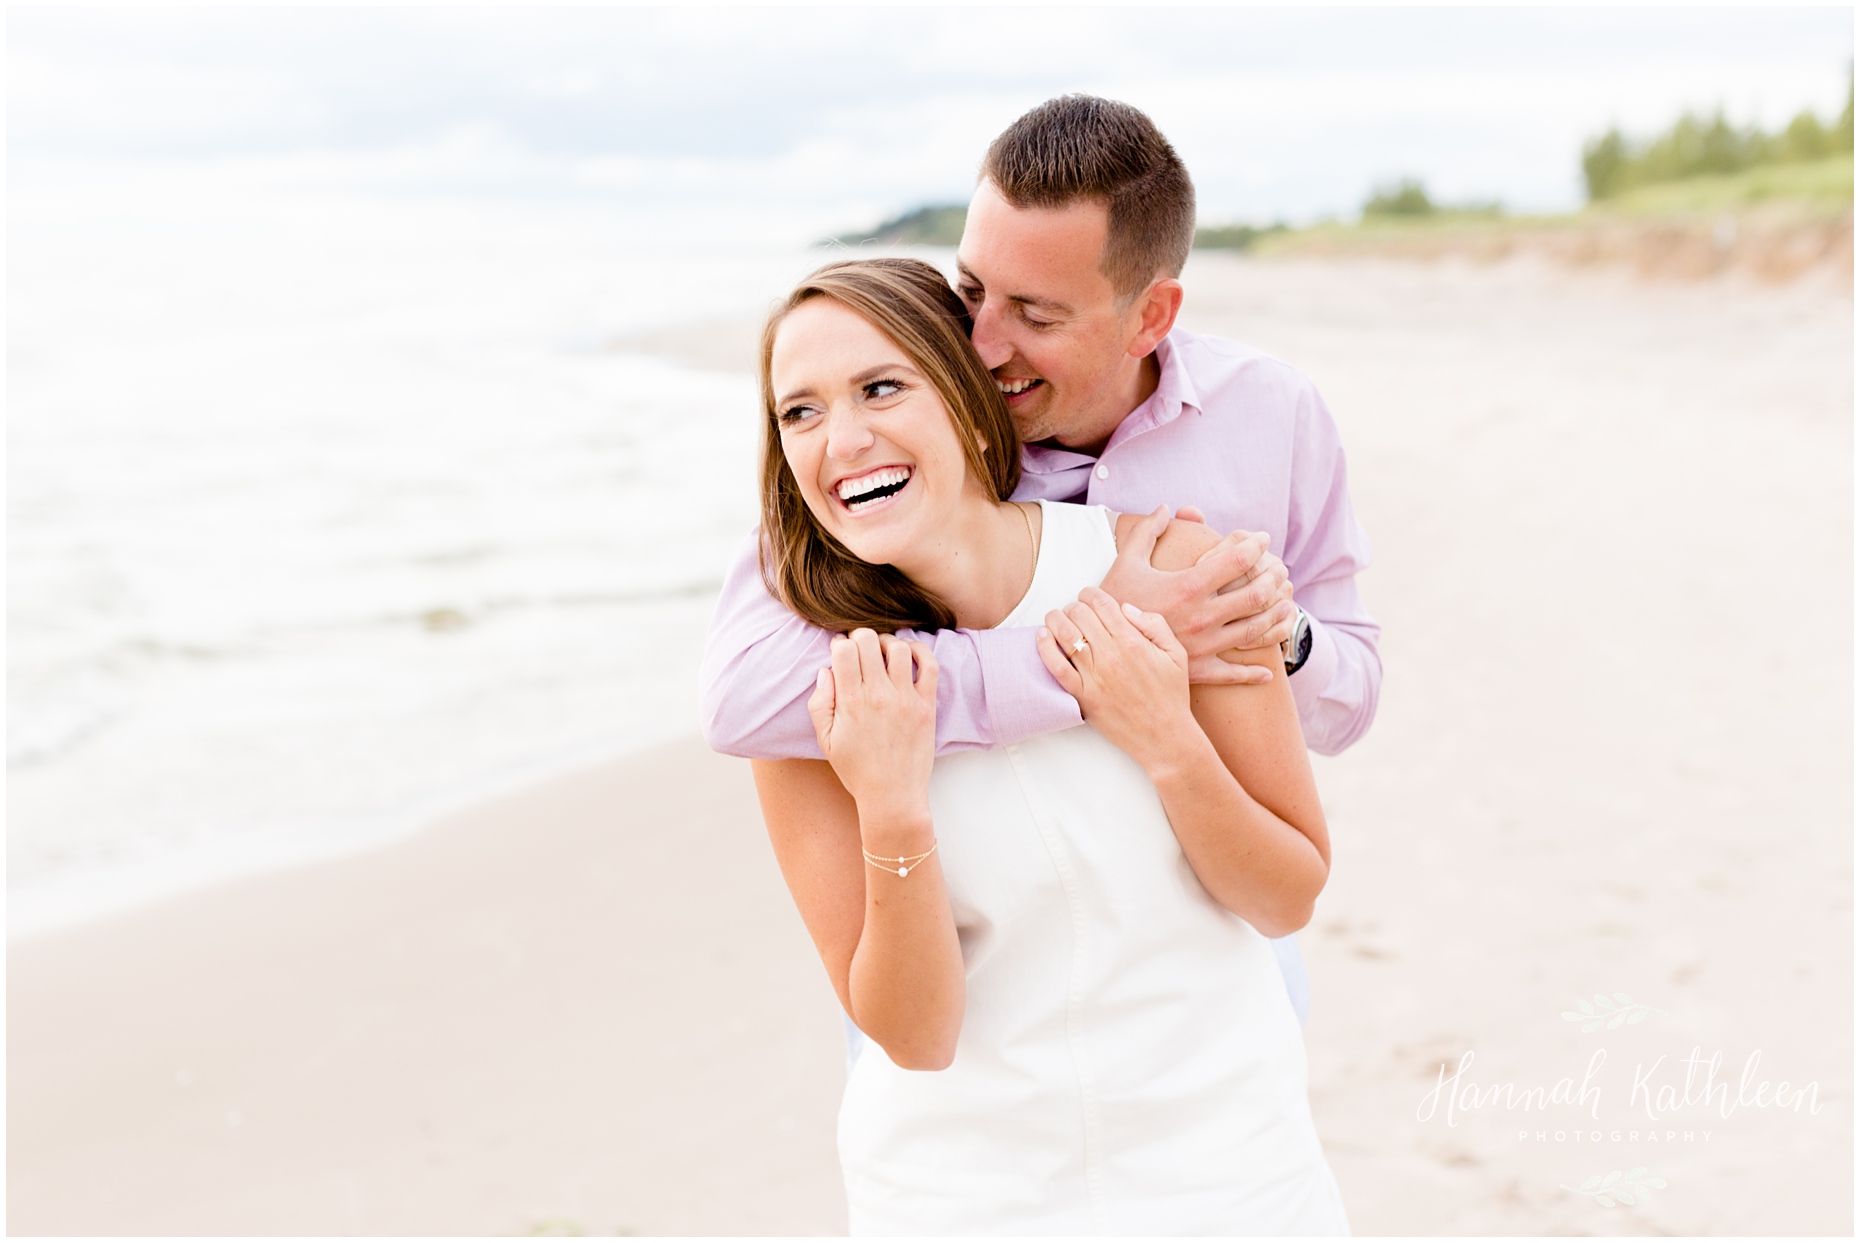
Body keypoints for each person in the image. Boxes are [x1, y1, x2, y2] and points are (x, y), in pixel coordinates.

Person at [701, 95, 1380, 1025]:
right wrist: (1091, 646)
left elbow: (1349, 703)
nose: (979, 346)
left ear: (1152, 316)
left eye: (1035, 313)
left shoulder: (1273, 416)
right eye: (972, 289)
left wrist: (1272, 628)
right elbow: (745, 693)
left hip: (1208, 940)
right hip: (978, 961)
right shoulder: (909, 440)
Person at [748, 256, 1349, 1233]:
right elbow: (915, 1034)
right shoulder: (814, 692)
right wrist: (894, 806)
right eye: (800, 413)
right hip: (960, 1197)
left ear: (970, 399)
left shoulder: (1174, 576)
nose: (844, 440)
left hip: (1228, 1171)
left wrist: (1167, 743)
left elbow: (1289, 890)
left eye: (881, 387)